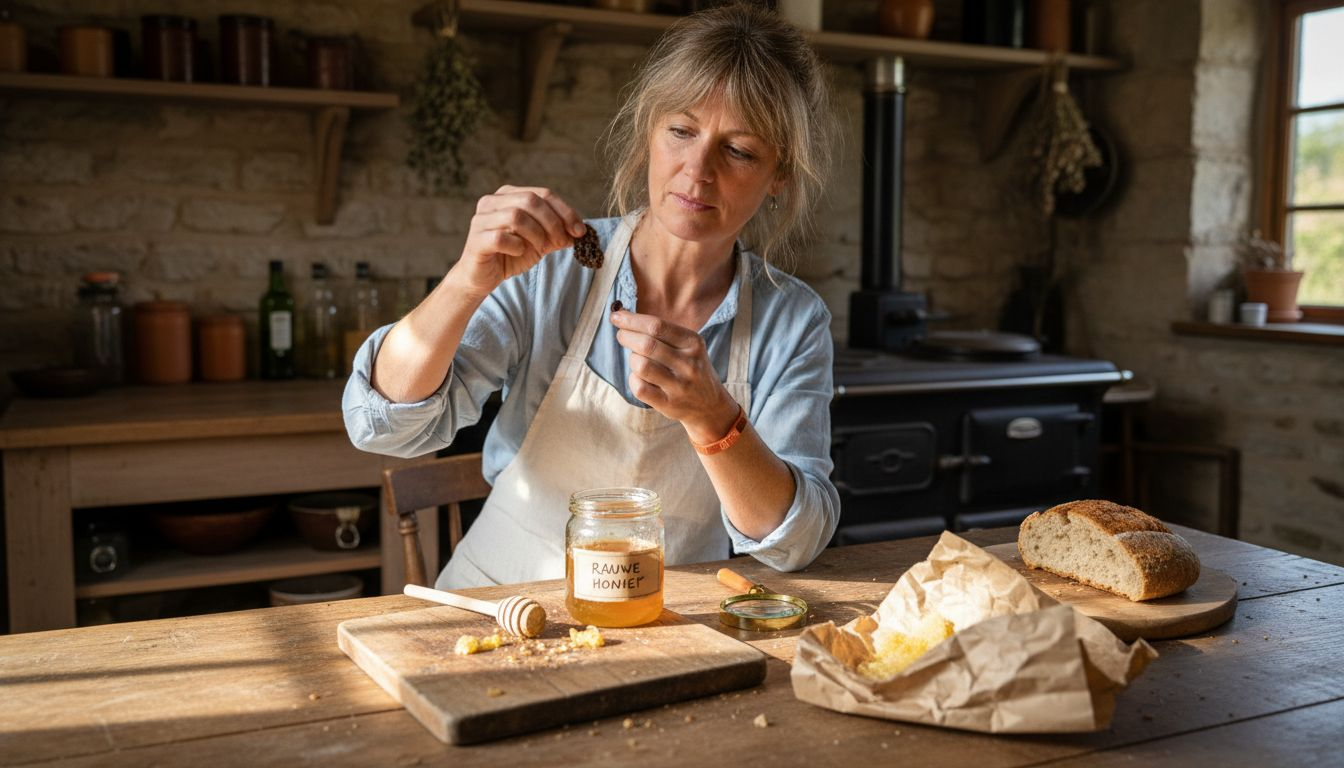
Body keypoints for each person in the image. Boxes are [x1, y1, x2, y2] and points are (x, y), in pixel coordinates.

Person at [344, 3, 840, 589]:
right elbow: (381, 427)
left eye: (739, 151)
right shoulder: (555, 269)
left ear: (779, 173)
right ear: (650, 132)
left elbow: (796, 543)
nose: (697, 170)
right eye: (681, 131)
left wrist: (714, 417)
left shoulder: (793, 319)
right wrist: (464, 282)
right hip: (496, 602)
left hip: (667, 624)